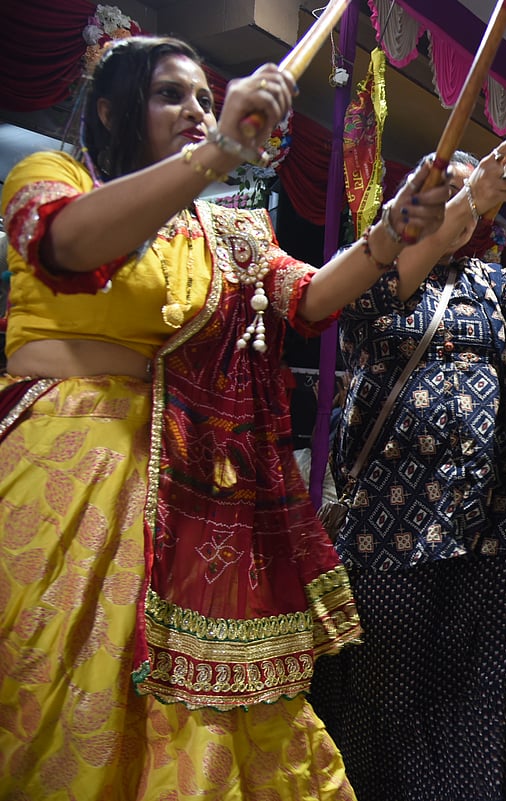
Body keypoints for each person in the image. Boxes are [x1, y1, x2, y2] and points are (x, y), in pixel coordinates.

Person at [0, 36, 453, 798]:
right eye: (169, 95)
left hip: (184, 496)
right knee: (52, 689)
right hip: (63, 468)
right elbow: (68, 244)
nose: (195, 109)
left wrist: (395, 235)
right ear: (110, 111)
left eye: (205, 98)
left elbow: (307, 297)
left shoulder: (228, 232)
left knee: (198, 723)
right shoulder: (52, 177)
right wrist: (214, 150)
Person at [308, 142, 506, 800]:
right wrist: (474, 194)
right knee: (385, 692)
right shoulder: (372, 274)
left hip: (487, 530)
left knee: (481, 698)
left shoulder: (487, 282)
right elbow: (383, 285)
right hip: (389, 531)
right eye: (448, 193)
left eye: (471, 195)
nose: (464, 203)